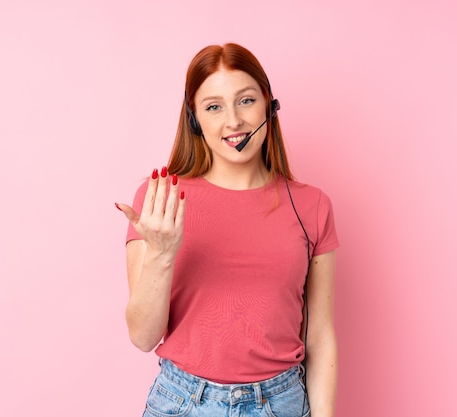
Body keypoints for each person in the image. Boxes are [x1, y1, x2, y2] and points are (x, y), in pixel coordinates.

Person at [115, 43, 339, 417]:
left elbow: (320, 337)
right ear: (194, 120)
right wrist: (162, 253)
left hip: (280, 402)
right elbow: (142, 336)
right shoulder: (160, 199)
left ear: (269, 105)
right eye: (214, 106)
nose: (233, 121)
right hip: (182, 402)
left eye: (246, 101)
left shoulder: (313, 206)